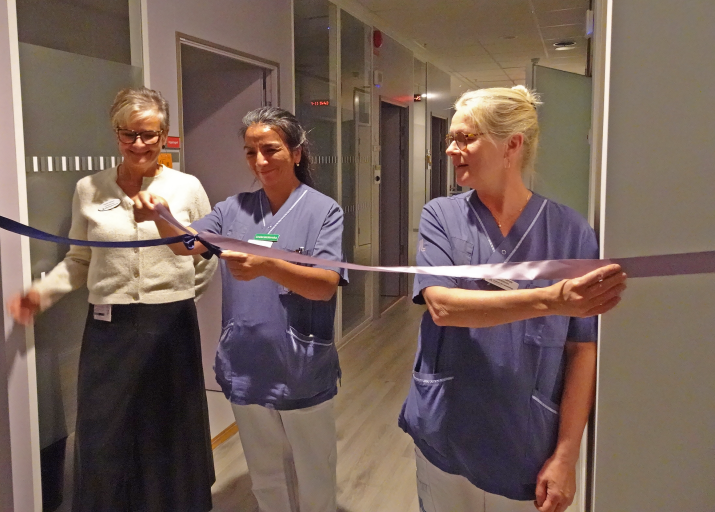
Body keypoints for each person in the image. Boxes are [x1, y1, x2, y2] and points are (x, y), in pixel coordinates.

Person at [398, 86, 627, 512]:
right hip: (447, 428)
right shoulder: (441, 217)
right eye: (451, 139)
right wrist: (550, 300)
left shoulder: (570, 232)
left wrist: (566, 455)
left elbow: (582, 349)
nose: (450, 150)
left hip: (524, 443)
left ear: (512, 145)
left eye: (465, 138)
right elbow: (443, 306)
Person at [8, 87, 218, 511]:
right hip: (109, 326)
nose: (139, 144)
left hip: (170, 325)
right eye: (129, 134)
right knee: (105, 430)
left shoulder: (186, 187)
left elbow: (206, 253)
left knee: (168, 429)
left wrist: (178, 296)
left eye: (150, 135)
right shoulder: (89, 189)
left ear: (164, 135)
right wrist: (41, 293)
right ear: (115, 133)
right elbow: (80, 259)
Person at [133, 106, 347, 512]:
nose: (260, 162)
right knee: (265, 471)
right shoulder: (234, 209)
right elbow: (188, 244)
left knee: (314, 470)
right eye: (251, 152)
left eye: (271, 149)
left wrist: (268, 265)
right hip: (246, 362)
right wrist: (161, 216)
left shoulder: (323, 211)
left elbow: (324, 286)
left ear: (297, 153)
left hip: (299, 365)